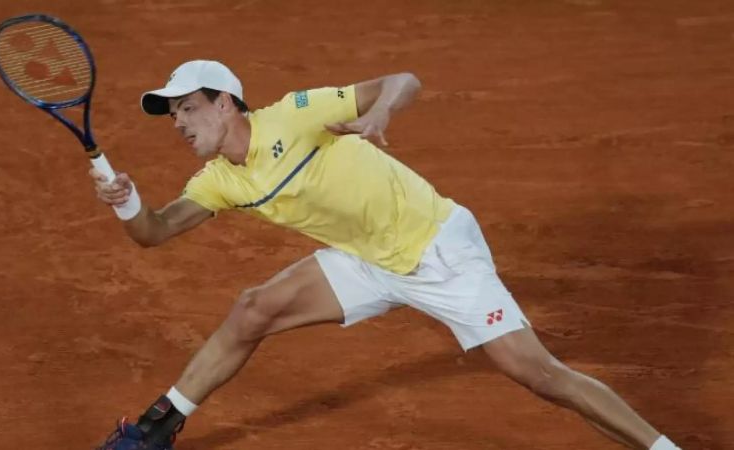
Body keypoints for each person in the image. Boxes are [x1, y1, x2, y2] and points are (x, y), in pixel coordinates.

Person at [90, 60, 680, 450]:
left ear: (226, 104)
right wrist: (125, 201)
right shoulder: (220, 179)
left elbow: (404, 79)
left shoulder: (295, 114)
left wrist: (380, 111)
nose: (180, 124)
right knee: (253, 310)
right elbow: (153, 231)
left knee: (541, 376)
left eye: (188, 108)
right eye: (173, 117)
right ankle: (158, 428)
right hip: (368, 259)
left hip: (436, 248)